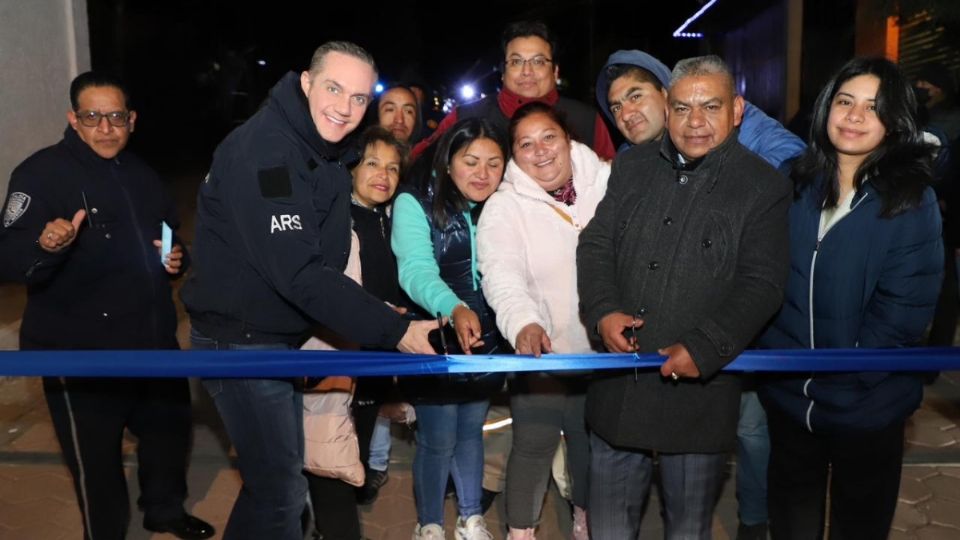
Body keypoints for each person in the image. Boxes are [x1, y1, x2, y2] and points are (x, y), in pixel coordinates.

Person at [180, 41, 437, 540]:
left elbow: (318, 260)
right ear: (306, 83)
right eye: (334, 88)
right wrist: (396, 330)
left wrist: (366, 308)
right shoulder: (268, 154)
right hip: (242, 345)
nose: (345, 107)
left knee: (272, 486)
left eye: (359, 98)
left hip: (275, 336)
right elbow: (299, 271)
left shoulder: (317, 146)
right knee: (281, 493)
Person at [576, 55, 791, 539]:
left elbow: (763, 284)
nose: (695, 122)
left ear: (736, 110)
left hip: (698, 395)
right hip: (620, 385)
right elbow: (595, 243)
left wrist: (706, 345)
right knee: (608, 528)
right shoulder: (630, 169)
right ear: (667, 110)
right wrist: (603, 310)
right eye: (682, 108)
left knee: (690, 528)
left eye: (710, 107)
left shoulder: (764, 186)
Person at [0, 72, 214, 540]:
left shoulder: (142, 174)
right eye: (93, 117)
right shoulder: (40, 173)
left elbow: (169, 234)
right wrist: (47, 244)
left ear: (131, 120)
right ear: (73, 119)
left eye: (116, 116)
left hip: (151, 341)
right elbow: (10, 258)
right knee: (96, 461)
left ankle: (164, 511)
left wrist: (176, 258)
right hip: (79, 353)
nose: (105, 128)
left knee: (167, 434)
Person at [757, 57, 943, 539]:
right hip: (791, 398)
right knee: (791, 521)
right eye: (845, 102)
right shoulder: (795, 183)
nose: (854, 116)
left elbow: (905, 311)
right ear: (826, 108)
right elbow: (770, 281)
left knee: (857, 526)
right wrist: (784, 369)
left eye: (872, 107)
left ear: (894, 121)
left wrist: (846, 379)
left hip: (869, 401)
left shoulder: (909, 198)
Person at [477, 102, 609, 540]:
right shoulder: (504, 207)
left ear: (568, 139)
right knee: (533, 445)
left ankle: (585, 519)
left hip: (603, 351)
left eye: (549, 137)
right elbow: (502, 273)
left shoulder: (608, 182)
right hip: (543, 353)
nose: (541, 151)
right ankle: (521, 531)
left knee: (590, 445)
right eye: (525, 144)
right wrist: (523, 324)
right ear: (514, 154)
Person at [391, 117, 510, 540]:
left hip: (487, 340)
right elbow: (415, 270)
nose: (483, 174)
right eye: (471, 161)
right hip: (435, 337)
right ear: (447, 162)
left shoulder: (503, 204)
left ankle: (471, 517)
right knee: (437, 437)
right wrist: (454, 307)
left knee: (471, 433)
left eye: (494, 163)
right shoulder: (413, 201)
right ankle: (429, 524)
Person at [305, 125, 409, 539]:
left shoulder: (390, 219)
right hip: (336, 355)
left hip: (374, 357)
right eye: (371, 164)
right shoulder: (334, 223)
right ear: (350, 168)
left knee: (358, 440)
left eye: (393, 168)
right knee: (328, 447)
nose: (383, 175)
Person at [412, 20, 615, 161]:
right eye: (516, 61)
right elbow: (420, 160)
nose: (527, 72)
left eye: (538, 61)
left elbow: (614, 184)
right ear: (503, 71)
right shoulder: (466, 115)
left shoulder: (587, 121)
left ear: (555, 71)